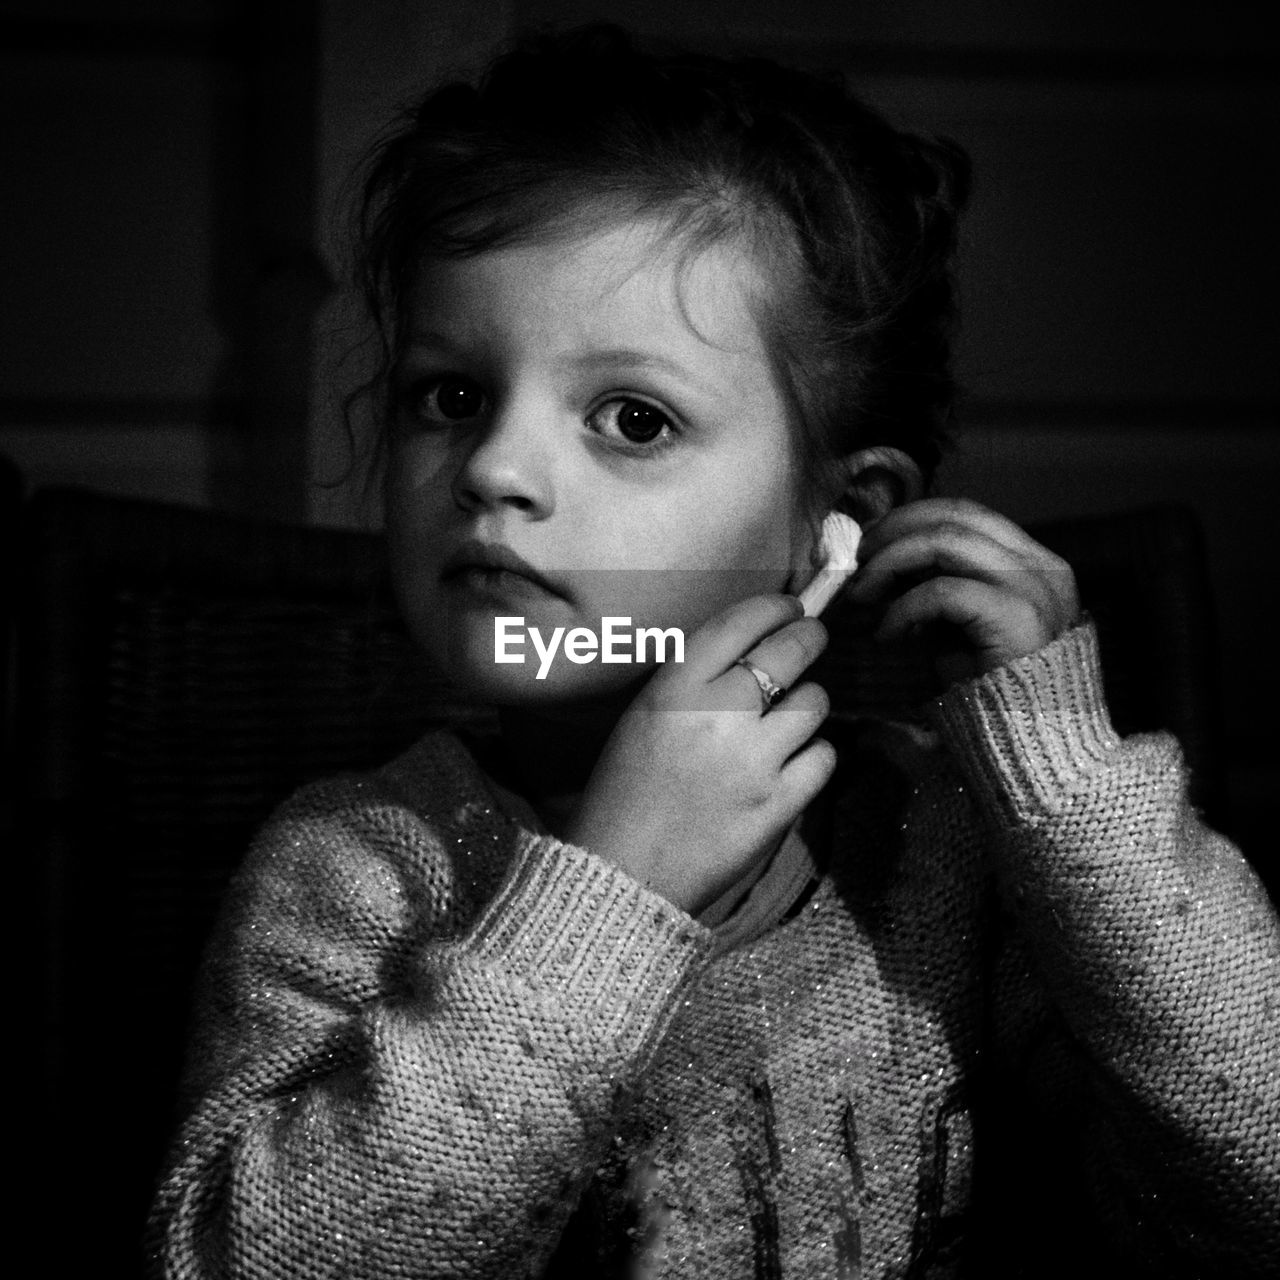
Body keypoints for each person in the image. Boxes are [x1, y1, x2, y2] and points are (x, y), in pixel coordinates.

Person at [146, 23, 1279, 1279]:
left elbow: (1252, 1186)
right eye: (451, 394)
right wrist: (606, 899)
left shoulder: (938, 854)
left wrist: (1070, 793)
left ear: (829, 525)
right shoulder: (353, 870)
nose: (493, 469)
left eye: (632, 417)